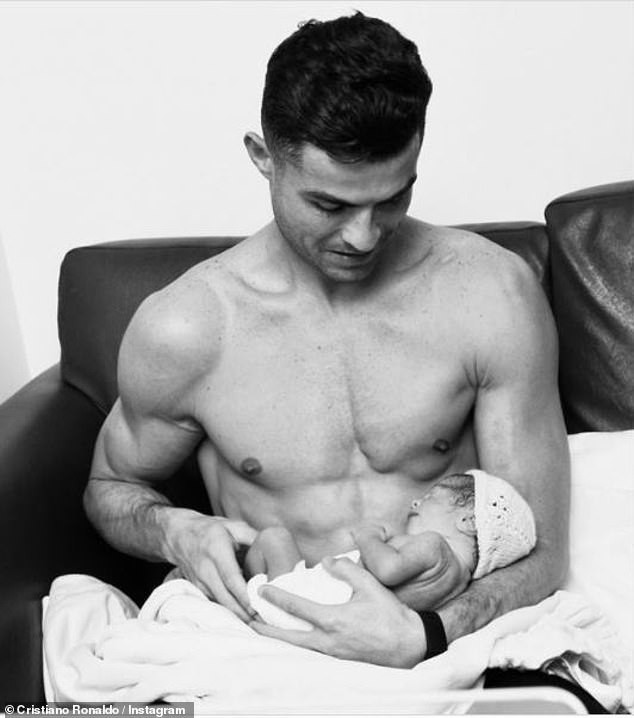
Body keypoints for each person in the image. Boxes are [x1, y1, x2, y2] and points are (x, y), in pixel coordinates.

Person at [84, 12, 570, 670]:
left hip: (442, 640)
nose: (364, 236)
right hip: (274, 643)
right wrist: (174, 530)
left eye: (392, 198)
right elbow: (110, 487)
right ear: (264, 158)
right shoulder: (188, 328)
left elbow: (540, 543)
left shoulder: (492, 294)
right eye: (330, 205)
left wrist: (429, 633)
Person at [246, 470, 538, 631]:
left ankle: (247, 596)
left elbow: (387, 570)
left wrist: (368, 536)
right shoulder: (460, 583)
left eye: (430, 497)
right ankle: (258, 600)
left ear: (468, 522)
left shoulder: (434, 544)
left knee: (274, 538)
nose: (415, 503)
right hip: (341, 618)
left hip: (313, 601)